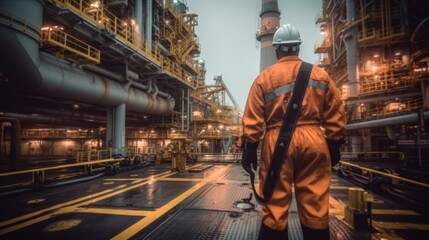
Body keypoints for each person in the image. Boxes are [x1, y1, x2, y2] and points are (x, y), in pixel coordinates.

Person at [239, 23, 346, 240]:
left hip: (277, 142)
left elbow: (253, 118)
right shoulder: (320, 75)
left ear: (277, 49)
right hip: (315, 141)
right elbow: (336, 112)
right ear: (298, 47)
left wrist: (249, 148)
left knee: (275, 205)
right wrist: (334, 144)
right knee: (315, 205)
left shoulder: (264, 78)